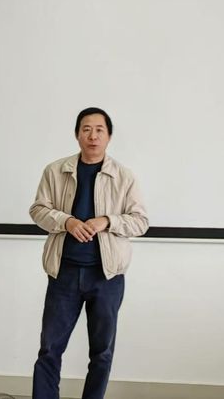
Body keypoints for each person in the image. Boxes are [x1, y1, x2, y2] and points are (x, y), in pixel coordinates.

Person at [29, 107, 148, 399]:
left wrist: (107, 220)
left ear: (109, 136)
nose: (92, 136)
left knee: (102, 353)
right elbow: (38, 210)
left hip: (106, 277)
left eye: (99, 130)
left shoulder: (124, 176)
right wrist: (66, 221)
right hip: (64, 273)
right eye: (86, 129)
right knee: (49, 349)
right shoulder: (55, 171)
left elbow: (140, 221)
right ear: (77, 135)